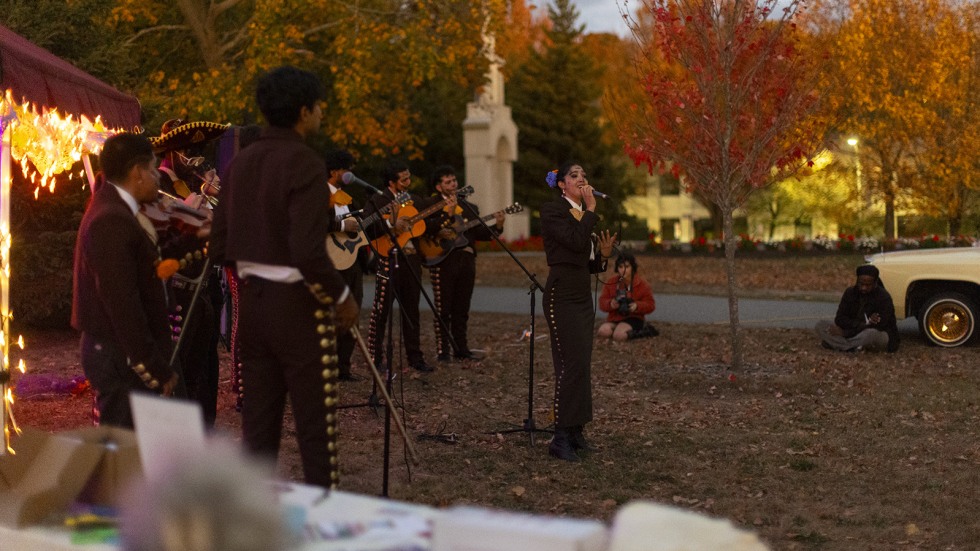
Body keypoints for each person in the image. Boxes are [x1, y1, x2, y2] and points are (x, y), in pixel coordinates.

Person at [210, 65, 359, 489]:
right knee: (315, 427)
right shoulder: (304, 162)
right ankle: (320, 518)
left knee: (258, 428)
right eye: (318, 107)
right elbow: (307, 250)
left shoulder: (242, 162)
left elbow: (219, 245)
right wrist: (341, 295)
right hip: (296, 309)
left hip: (252, 307)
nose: (321, 114)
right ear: (304, 111)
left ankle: (252, 523)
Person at [71, 133, 179, 428]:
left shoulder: (111, 210)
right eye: (153, 169)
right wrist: (155, 367)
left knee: (130, 454)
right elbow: (122, 303)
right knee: (123, 456)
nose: (158, 177)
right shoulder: (111, 219)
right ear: (137, 173)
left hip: (117, 351)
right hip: (116, 354)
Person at [150, 119, 228, 427]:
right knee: (181, 366)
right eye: (188, 150)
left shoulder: (197, 184)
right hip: (177, 290)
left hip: (206, 286)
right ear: (172, 152)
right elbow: (160, 230)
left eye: (199, 150)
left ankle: (204, 429)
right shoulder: (157, 182)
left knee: (206, 366)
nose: (195, 157)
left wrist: (216, 199)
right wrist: (189, 209)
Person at [540, 162, 616, 462]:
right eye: (575, 176)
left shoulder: (583, 215)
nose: (582, 180)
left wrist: (604, 258)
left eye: (584, 175)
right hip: (561, 296)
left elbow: (586, 262)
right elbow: (571, 241)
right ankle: (559, 437)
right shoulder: (552, 211)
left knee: (582, 365)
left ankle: (575, 430)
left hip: (582, 296)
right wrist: (591, 209)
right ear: (561, 185)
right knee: (569, 366)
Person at [423, 165, 504, 362]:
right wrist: (447, 215)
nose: (453, 184)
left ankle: (461, 348)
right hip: (443, 259)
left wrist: (499, 225)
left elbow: (481, 234)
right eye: (448, 181)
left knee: (462, 307)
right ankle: (443, 351)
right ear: (438, 186)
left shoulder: (469, 208)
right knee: (444, 308)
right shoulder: (430, 205)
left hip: (466, 260)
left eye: (454, 180)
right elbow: (425, 230)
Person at [363, 159, 437, 373]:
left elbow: (427, 223)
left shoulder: (412, 199)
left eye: (409, 177)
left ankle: (415, 357)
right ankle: (376, 357)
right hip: (387, 258)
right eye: (403, 179)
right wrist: (390, 226)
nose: (408, 182)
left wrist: (445, 213)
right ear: (391, 182)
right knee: (381, 309)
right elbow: (367, 226)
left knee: (412, 310)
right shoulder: (378, 199)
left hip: (411, 260)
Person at [324, 149, 366, 381]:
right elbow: (317, 222)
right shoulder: (320, 194)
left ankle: (344, 366)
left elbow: (359, 229)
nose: (350, 174)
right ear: (334, 171)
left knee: (354, 309)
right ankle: (327, 365)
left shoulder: (349, 199)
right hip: (330, 262)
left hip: (351, 262)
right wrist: (341, 227)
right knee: (331, 315)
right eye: (346, 170)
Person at [815, 264, 899, 353]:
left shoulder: (883, 297)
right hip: (852, 331)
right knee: (822, 325)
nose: (863, 288)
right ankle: (853, 347)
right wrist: (853, 327)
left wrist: (845, 333)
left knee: (870, 334)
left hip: (876, 334)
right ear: (857, 281)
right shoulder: (850, 293)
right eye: (861, 284)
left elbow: (879, 326)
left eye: (868, 285)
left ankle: (840, 345)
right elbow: (839, 319)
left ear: (875, 283)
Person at [597, 253, 656, 342]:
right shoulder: (611, 282)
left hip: (634, 318)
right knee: (603, 332)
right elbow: (602, 302)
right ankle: (620, 330)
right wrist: (611, 304)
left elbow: (651, 305)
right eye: (620, 267)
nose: (623, 270)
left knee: (619, 336)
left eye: (627, 267)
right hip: (615, 317)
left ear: (633, 268)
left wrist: (637, 306)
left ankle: (644, 331)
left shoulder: (642, 284)